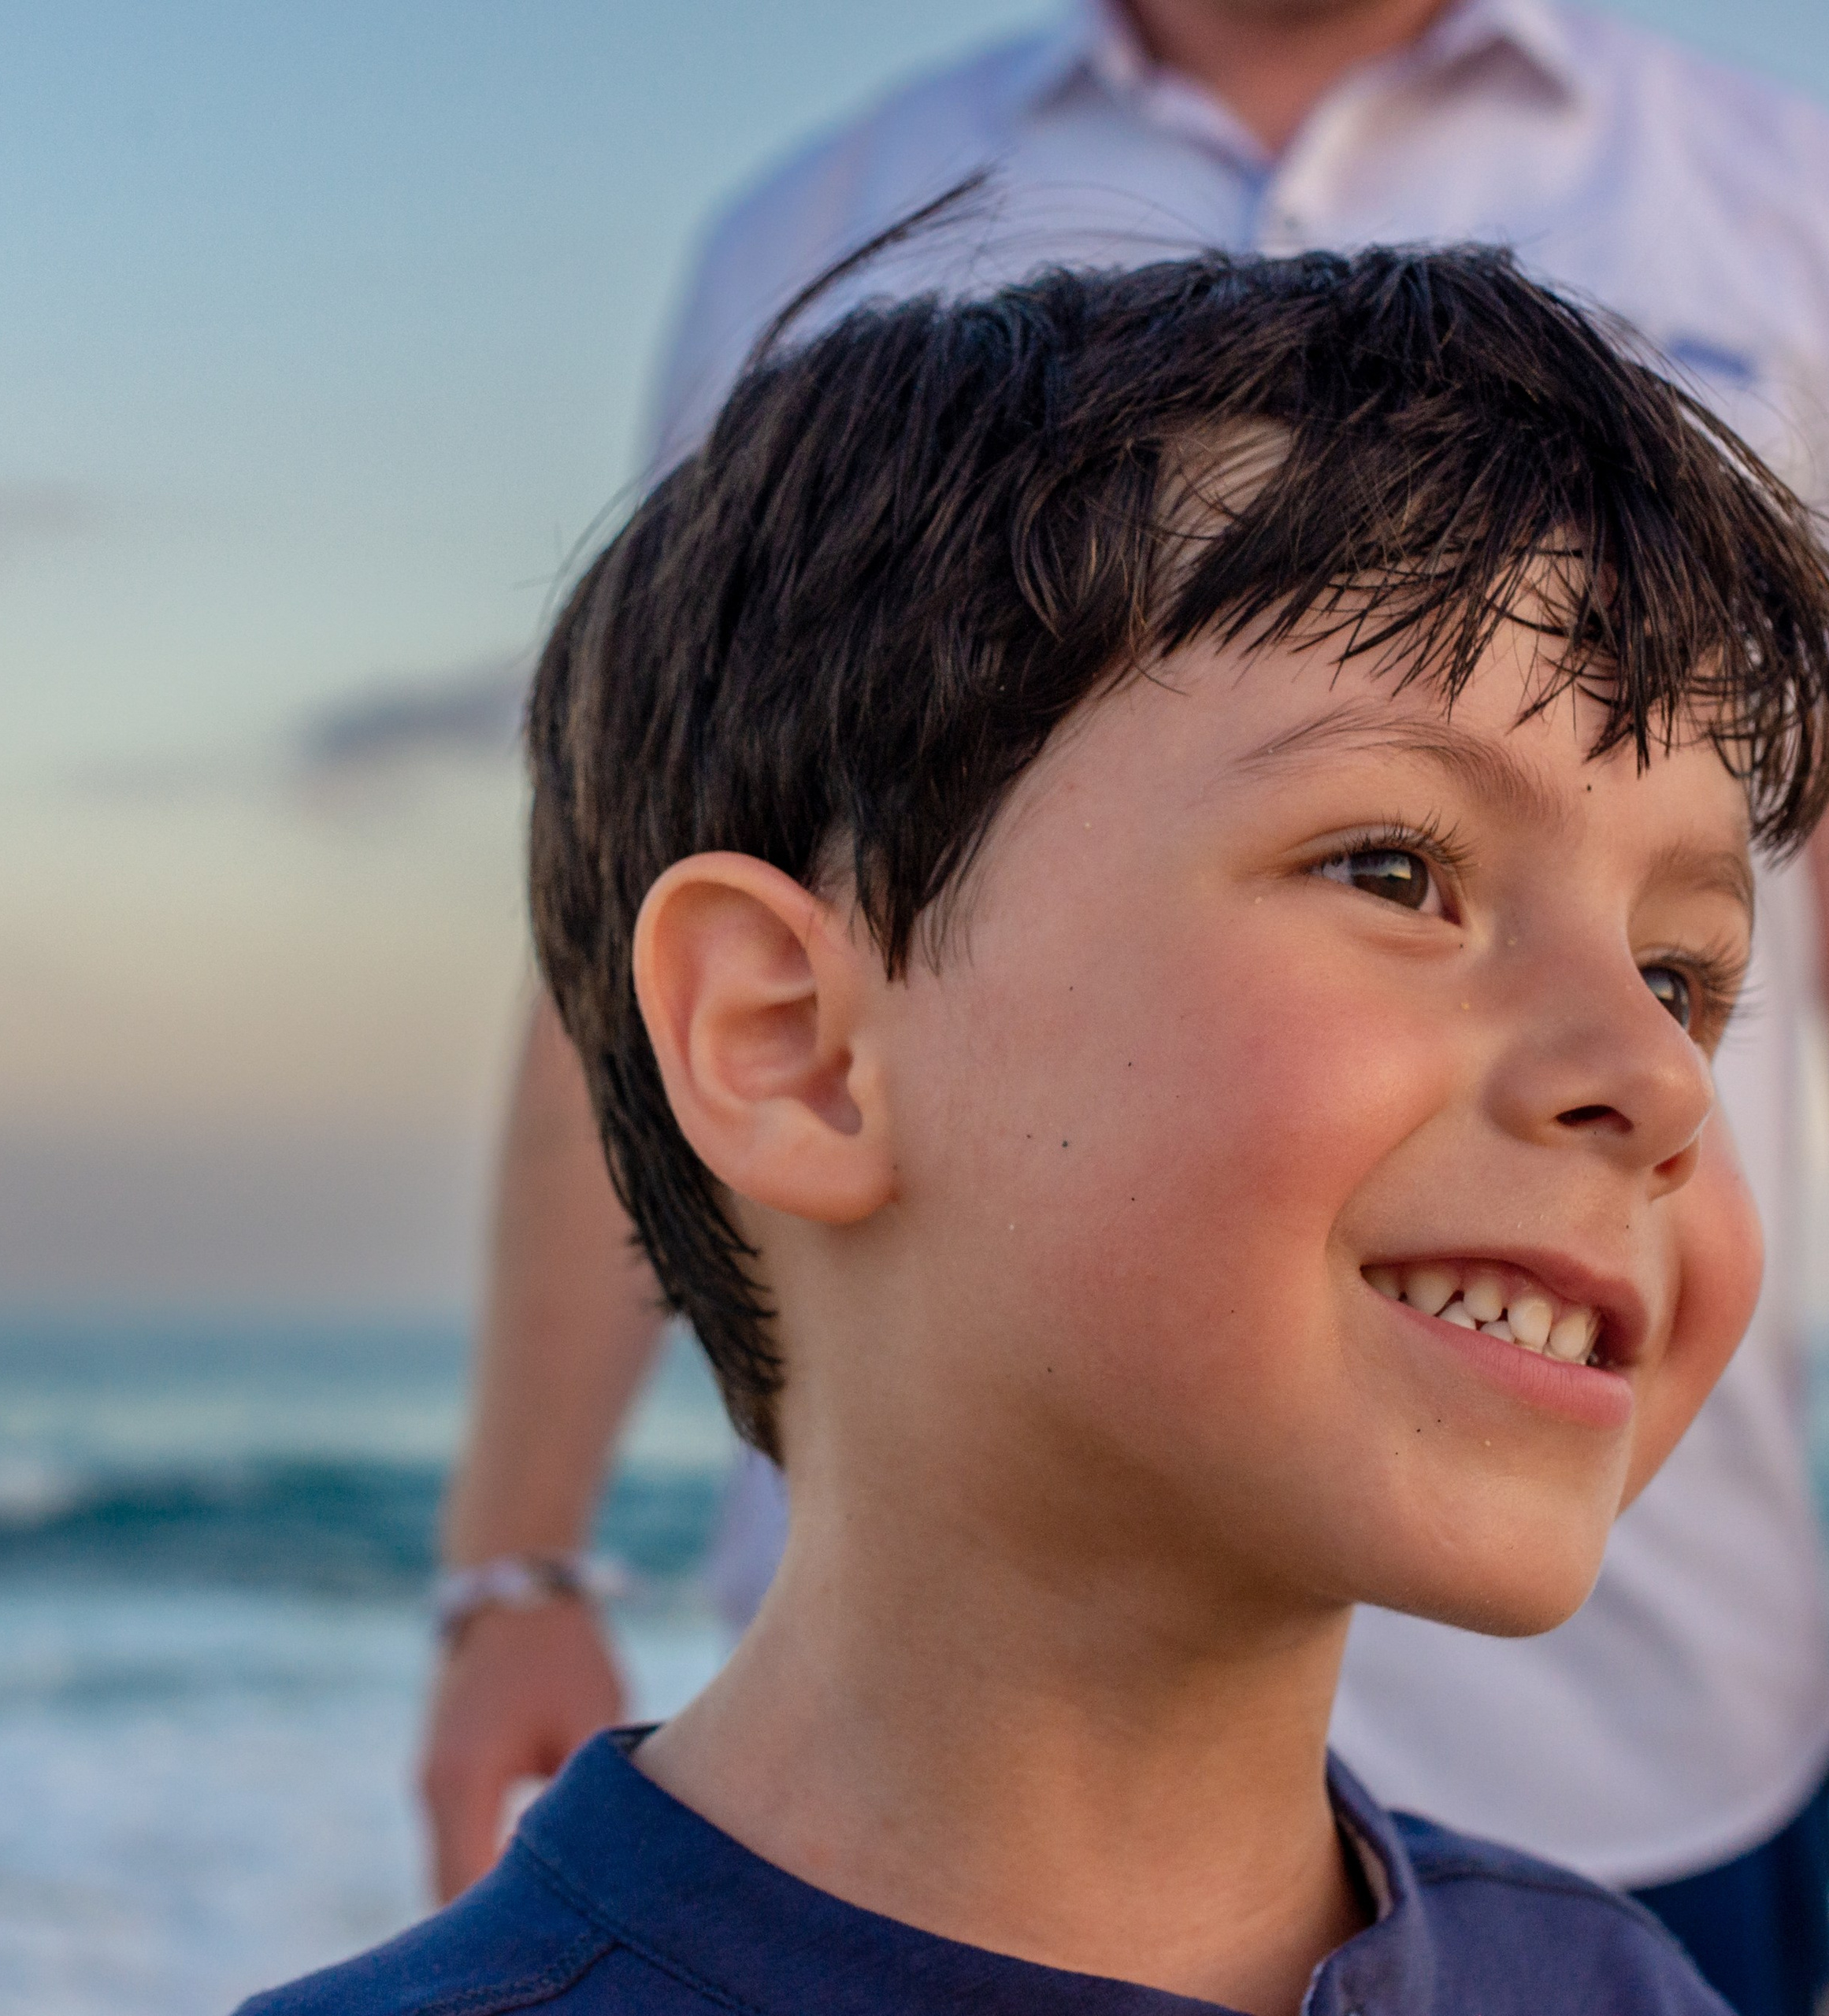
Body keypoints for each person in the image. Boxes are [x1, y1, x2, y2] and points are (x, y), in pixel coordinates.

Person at [424, 7, 1829, 2009]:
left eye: (1686, 979)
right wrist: (513, 1560)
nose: (1648, 1071)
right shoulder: (815, 220)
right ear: (793, 1043)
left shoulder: (1786, 201)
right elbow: (662, 840)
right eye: (1390, 870)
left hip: (1669, 1731)